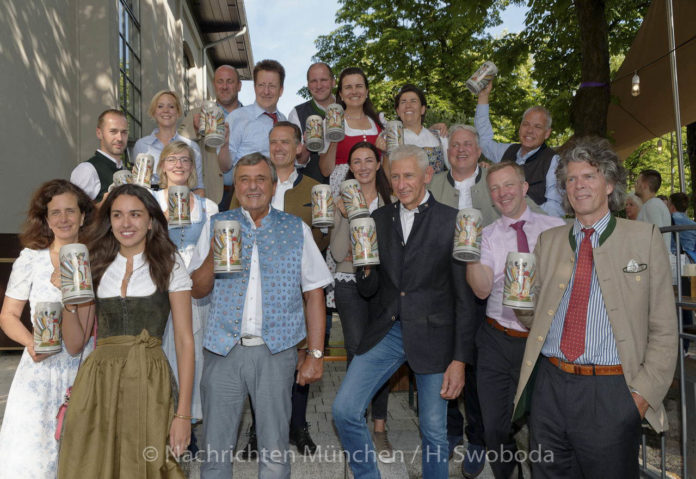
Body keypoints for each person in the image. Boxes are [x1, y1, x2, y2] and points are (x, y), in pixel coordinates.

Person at [513, 137, 678, 477]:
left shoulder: (643, 238)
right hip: (551, 387)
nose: (578, 185)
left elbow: (664, 328)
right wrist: (519, 297)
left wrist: (640, 398)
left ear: (610, 184)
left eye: (588, 176)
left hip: (611, 390)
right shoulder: (550, 241)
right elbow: (532, 318)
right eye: (571, 179)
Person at [332, 144, 478, 479]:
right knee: (344, 409)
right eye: (395, 176)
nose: (401, 183)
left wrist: (459, 360)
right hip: (389, 330)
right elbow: (370, 290)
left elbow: (464, 300)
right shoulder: (377, 220)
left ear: (427, 175)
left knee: (434, 432)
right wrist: (365, 269)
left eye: (408, 175)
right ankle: (368, 474)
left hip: (435, 337)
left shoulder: (453, 221)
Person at [192, 153, 332, 478]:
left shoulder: (295, 228)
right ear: (235, 185)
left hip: (276, 352)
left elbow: (314, 293)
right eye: (244, 179)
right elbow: (197, 290)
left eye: (260, 179)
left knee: (273, 453)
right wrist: (215, 254)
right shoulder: (216, 225)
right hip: (223, 351)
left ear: (272, 185)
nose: (252, 186)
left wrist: (315, 353)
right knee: (215, 453)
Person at [57, 184, 195, 478]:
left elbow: (185, 342)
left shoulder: (170, 263)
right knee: (91, 465)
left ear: (150, 220)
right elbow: (74, 344)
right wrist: (68, 298)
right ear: (109, 221)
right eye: (118, 215)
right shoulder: (94, 264)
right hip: (97, 382)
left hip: (150, 379)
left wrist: (183, 414)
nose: (126, 223)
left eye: (135, 214)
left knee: (150, 464)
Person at [231, 122, 329, 457]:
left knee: (298, 357)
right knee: (262, 358)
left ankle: (298, 425)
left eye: (285, 142)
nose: (278, 147)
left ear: (300, 147)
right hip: (260, 289)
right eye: (273, 142)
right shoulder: (252, 184)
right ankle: (258, 429)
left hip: (299, 285)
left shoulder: (316, 188)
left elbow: (324, 236)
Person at [465, 162, 564, 478]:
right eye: (494, 188)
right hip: (497, 339)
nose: (501, 193)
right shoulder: (488, 235)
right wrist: (468, 250)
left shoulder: (554, 227)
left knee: (545, 427)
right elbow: (481, 291)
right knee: (495, 427)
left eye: (508, 185)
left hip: (543, 342)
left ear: (524, 188)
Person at [0, 180, 95, 478]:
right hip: (38, 371)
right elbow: (9, 316)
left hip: (82, 366)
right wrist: (31, 343)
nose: (63, 218)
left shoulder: (97, 259)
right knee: (32, 459)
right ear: (46, 219)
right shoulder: (31, 258)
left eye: (70, 211)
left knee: (78, 457)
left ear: (82, 216)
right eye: (56, 212)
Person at [329, 141, 395, 461]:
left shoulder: (392, 199)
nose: (364, 166)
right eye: (357, 161)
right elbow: (339, 253)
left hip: (384, 285)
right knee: (356, 350)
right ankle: (355, 422)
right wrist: (344, 217)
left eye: (370, 160)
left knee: (380, 352)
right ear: (350, 167)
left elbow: (394, 249)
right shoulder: (341, 197)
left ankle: (380, 428)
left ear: (379, 164)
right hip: (349, 281)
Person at [153, 141, 219, 425]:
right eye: (172, 160)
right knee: (165, 352)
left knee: (195, 351)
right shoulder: (150, 202)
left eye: (185, 160)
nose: (179, 165)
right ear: (162, 167)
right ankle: (167, 414)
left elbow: (213, 251)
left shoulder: (208, 206)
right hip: (160, 287)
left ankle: (190, 418)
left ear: (193, 168)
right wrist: (162, 220)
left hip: (196, 290)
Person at [474, 81, 564, 217]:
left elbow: (555, 208)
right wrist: (483, 97)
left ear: (547, 133)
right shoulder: (508, 151)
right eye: (526, 124)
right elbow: (484, 141)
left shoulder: (553, 161)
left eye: (537, 127)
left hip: (534, 230)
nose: (530, 131)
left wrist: (524, 221)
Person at [217, 59, 287, 211]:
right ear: (255, 87)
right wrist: (224, 145)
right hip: (247, 198)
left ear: (281, 90)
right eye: (261, 85)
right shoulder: (237, 118)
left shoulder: (284, 121)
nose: (266, 91)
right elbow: (224, 167)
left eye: (272, 86)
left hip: (279, 198)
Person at [179, 65, 243, 205]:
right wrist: (196, 130)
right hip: (210, 196)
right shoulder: (197, 114)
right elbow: (178, 149)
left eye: (230, 81)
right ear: (214, 85)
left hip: (245, 196)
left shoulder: (250, 118)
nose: (224, 86)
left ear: (239, 86)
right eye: (220, 81)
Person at [319, 67, 384, 197]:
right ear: (341, 94)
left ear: (367, 91)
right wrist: (335, 139)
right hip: (344, 192)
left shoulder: (380, 122)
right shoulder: (328, 123)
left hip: (377, 190)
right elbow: (325, 171)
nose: (354, 91)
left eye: (359, 86)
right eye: (348, 87)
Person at [133, 90, 204, 194]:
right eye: (160, 106)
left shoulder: (192, 147)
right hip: (150, 204)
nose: (166, 110)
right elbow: (137, 186)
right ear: (153, 112)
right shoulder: (141, 146)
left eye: (171, 107)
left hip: (181, 204)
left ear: (178, 112)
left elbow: (199, 189)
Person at [376, 84, 449, 175]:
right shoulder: (390, 138)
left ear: (422, 109)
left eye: (413, 101)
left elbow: (454, 169)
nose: (408, 105)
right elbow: (388, 180)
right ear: (398, 111)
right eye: (403, 102)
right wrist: (386, 153)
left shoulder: (440, 136)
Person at [288, 62, 336, 184]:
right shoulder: (297, 113)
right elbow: (298, 162)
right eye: (313, 81)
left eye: (323, 80)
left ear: (333, 82)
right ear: (308, 85)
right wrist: (307, 146)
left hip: (349, 188)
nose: (318, 85)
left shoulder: (347, 108)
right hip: (313, 189)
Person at [70, 109, 128, 204]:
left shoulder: (125, 171)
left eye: (124, 132)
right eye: (113, 131)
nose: (120, 138)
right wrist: (102, 205)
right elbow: (76, 213)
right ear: (99, 133)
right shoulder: (87, 170)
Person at [635, 169, 672, 251]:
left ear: (645, 185)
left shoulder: (652, 205)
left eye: (637, 182)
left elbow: (657, 237)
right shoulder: (651, 204)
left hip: (656, 261)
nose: (635, 186)